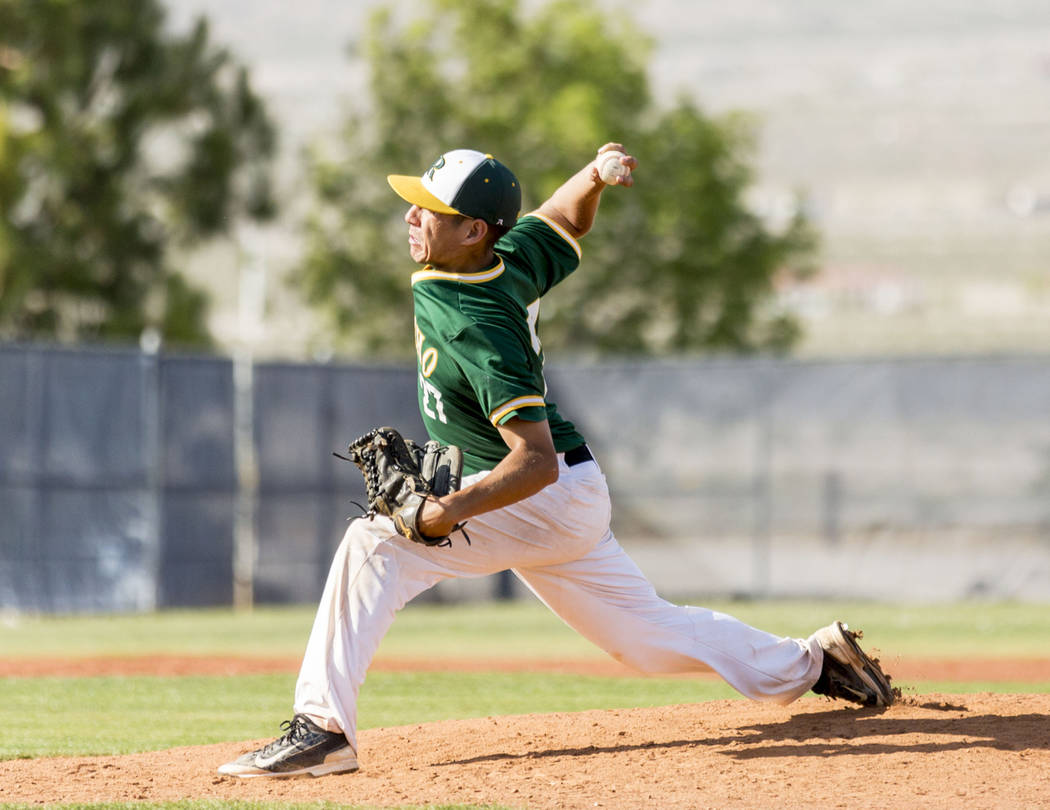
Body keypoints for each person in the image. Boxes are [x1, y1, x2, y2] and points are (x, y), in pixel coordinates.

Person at [218, 144, 895, 779]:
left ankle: (323, 729)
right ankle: (813, 663)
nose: (412, 215)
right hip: (568, 492)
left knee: (375, 546)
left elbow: (534, 461)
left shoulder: (478, 321)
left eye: (432, 210)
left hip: (542, 492)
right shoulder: (506, 257)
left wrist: (445, 512)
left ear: (474, 231)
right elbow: (563, 218)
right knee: (645, 638)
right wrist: (596, 174)